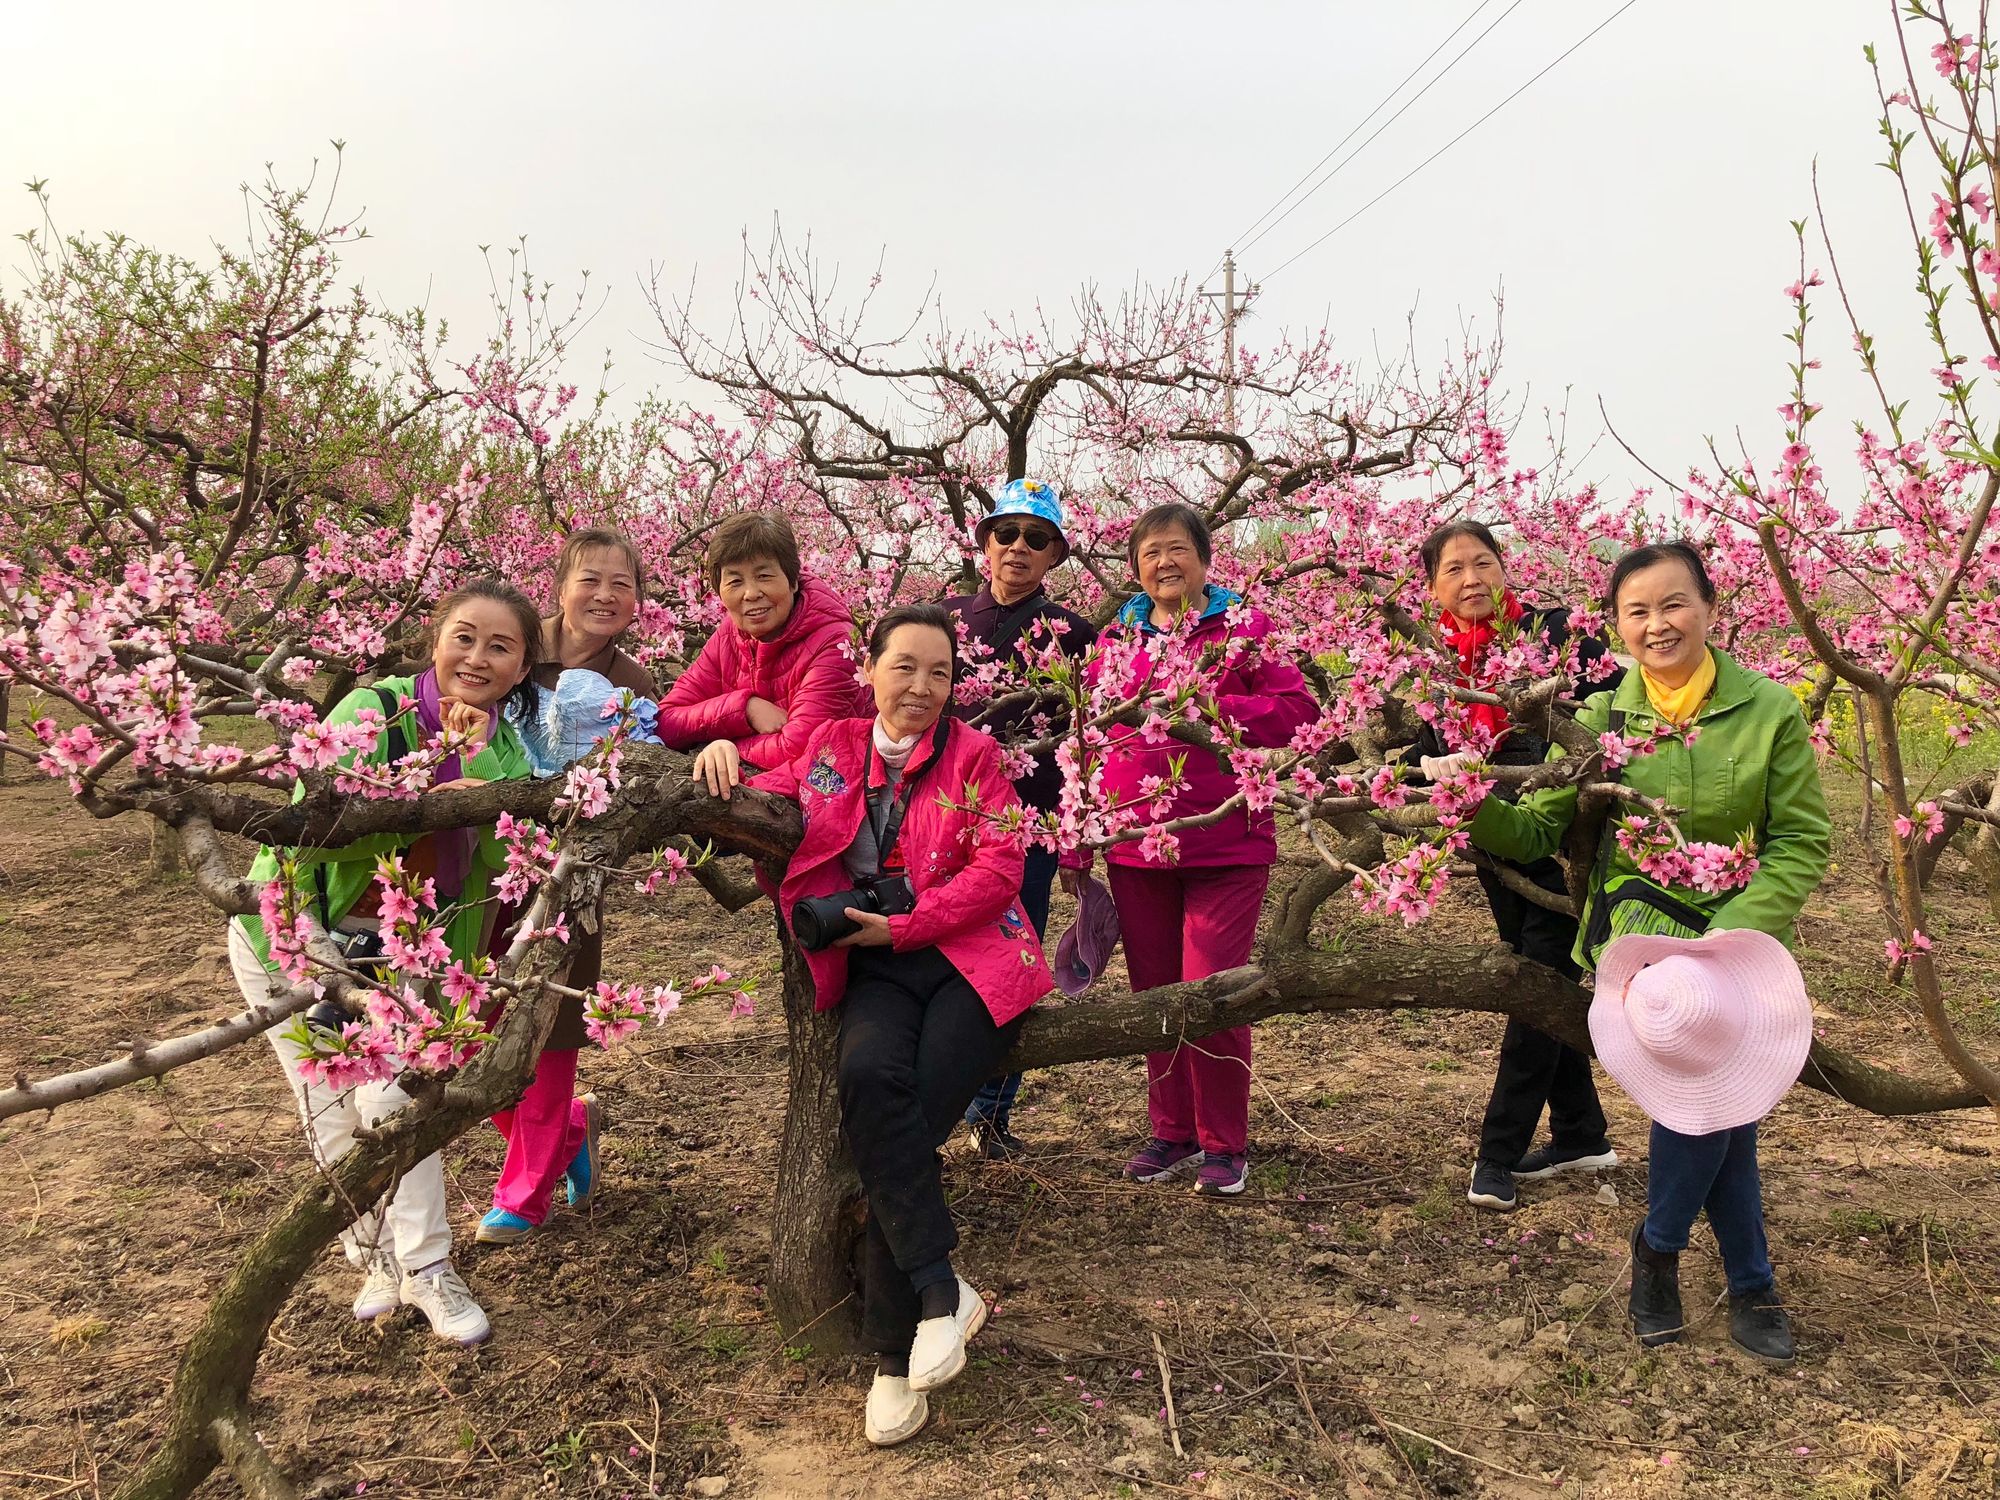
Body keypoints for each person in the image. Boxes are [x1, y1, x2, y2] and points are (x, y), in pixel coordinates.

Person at [1467, 539, 1831, 1364]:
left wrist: (1731, 938)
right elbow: (1534, 828)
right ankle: (1747, 1281)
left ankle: (1666, 1252)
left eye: (1673, 605)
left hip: (1739, 941)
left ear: (1709, 608)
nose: (1657, 625)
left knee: (1714, 1110)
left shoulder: (1768, 709)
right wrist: (1466, 799)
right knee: (1708, 1102)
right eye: (1637, 612)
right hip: (1639, 950)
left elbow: (1802, 841)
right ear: (1616, 626)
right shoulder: (1602, 718)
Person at [753, 603, 1051, 1447]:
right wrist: (719, 748)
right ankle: (941, 1291)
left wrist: (907, 924)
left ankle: (892, 1354)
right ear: (871, 668)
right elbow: (772, 786)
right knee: (866, 1082)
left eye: (941, 673)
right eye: (905, 666)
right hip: (878, 966)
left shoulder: (976, 754)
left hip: (975, 958)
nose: (921, 687)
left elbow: (1001, 866)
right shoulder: (835, 748)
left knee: (906, 1118)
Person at [227, 578, 545, 1346]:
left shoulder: (504, 746)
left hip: (409, 951)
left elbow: (503, 868)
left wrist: (478, 778)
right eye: (464, 636)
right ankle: (376, 1259)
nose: (478, 657)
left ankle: (429, 1266)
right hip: (296, 933)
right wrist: (436, 793)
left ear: (524, 665)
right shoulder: (376, 711)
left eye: (501, 646)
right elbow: (317, 823)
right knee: (330, 1111)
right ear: (434, 639)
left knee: (395, 1103)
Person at [1078, 503, 1318, 1198]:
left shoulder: (1244, 629)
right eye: (1150, 553)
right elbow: (1088, 736)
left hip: (1226, 838)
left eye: (1178, 549)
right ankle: (1172, 1132)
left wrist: (1210, 706)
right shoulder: (1116, 638)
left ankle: (1223, 1142)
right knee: (1154, 992)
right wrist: (1079, 844)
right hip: (1132, 844)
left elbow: (1298, 715)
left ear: (1206, 560)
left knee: (1212, 986)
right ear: (1135, 568)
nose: (1164, 563)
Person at [1410, 519, 1623, 1214]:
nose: (1472, 579)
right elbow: (1419, 742)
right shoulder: (1433, 662)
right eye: (1453, 569)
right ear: (1432, 587)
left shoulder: (1555, 631)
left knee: (1535, 974)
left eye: (1484, 562)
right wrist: (1428, 767)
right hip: (1494, 835)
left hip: (1561, 835)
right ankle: (1580, 1133)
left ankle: (1498, 1151)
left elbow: (1610, 702)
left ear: (1505, 568)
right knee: (1541, 972)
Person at [477, 529, 657, 1244]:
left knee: (548, 1026)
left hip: (571, 872)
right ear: (558, 587)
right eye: (591, 580)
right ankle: (571, 1130)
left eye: (623, 584)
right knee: (467, 1027)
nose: (606, 596)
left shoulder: (633, 682)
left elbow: (642, 776)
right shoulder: (514, 644)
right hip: (479, 857)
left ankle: (524, 1193)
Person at [946, 478, 1098, 1157]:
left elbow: (1086, 743)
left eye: (1036, 538)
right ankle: (940, 1101)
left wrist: (1075, 845)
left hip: (1030, 831)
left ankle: (992, 1111)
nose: (1017, 548)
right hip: (944, 822)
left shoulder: (1074, 634)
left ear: (1055, 555)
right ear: (984, 543)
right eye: (1005, 533)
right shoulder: (944, 618)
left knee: (1015, 962)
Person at [656, 510, 868, 796]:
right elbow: (665, 721)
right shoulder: (730, 635)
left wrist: (722, 747)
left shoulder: (836, 644)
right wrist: (743, 708)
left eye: (764, 576)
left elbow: (798, 749)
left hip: (835, 795)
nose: (751, 593)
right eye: (735, 581)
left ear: (793, 580)